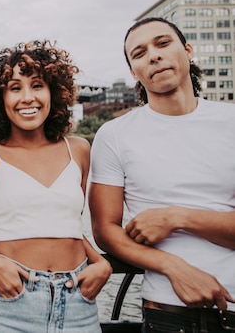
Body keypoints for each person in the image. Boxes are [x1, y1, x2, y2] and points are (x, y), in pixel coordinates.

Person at [89, 17, 235, 332]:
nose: (153, 55)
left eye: (163, 43)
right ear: (133, 72)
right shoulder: (114, 135)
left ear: (188, 49)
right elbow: (104, 230)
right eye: (139, 53)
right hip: (167, 314)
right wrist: (174, 267)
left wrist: (175, 217)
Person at [0, 40, 112, 333]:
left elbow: (69, 226)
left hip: (78, 300)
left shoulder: (79, 149)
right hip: (10, 300)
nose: (27, 97)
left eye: (37, 85)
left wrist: (101, 264)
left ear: (54, 93)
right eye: (15, 88)